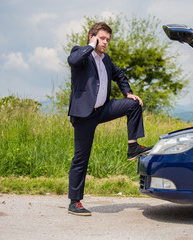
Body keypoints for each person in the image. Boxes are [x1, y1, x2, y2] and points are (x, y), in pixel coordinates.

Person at [67, 22, 152, 216]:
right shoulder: (81, 53)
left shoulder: (106, 60)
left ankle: (133, 146)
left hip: (102, 109)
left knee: (133, 104)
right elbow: (73, 61)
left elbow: (119, 74)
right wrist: (90, 46)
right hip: (84, 114)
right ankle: (75, 202)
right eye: (102, 38)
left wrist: (128, 93)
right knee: (81, 158)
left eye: (107, 39)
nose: (105, 42)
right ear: (92, 36)